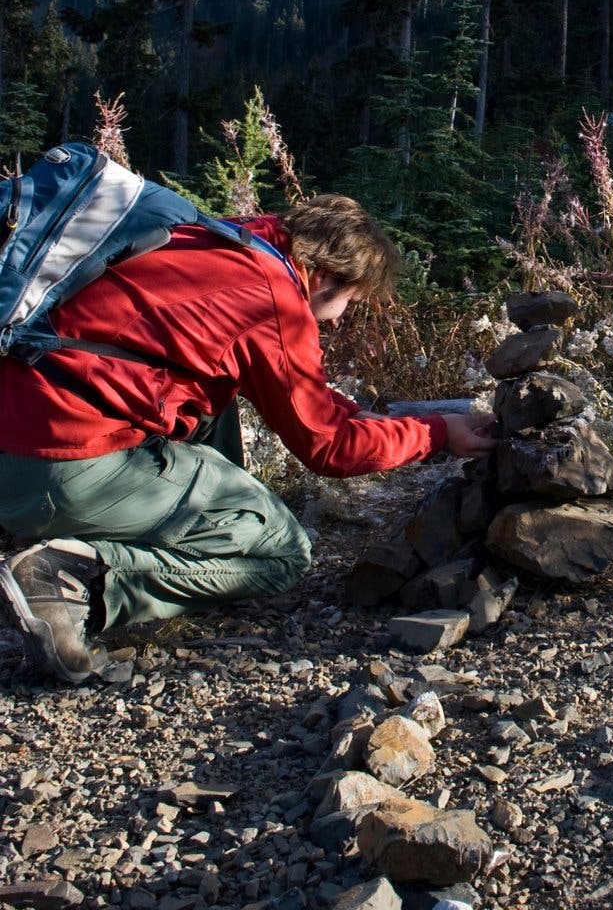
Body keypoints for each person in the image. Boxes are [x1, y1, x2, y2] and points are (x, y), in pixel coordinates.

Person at [0, 193, 495, 684]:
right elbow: (331, 448)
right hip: (56, 466)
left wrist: (360, 414)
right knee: (282, 556)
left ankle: (185, 528)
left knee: (217, 399)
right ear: (322, 277)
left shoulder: (221, 240)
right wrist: (437, 433)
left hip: (22, 427)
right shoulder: (273, 300)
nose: (342, 316)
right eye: (349, 301)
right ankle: (73, 581)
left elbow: (297, 392)